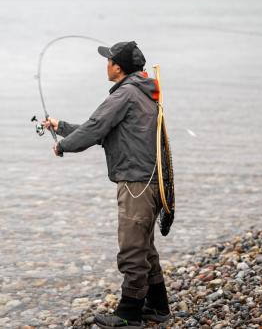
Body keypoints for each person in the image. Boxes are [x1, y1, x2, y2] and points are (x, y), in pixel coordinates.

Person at [43, 42, 171, 329]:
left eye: (109, 60)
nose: (106, 64)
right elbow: (104, 131)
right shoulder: (143, 91)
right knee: (145, 247)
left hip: (136, 183)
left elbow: (95, 128)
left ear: (118, 67)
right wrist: (60, 126)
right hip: (149, 181)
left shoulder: (124, 94)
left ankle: (129, 313)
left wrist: (63, 146)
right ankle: (158, 306)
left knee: (132, 250)